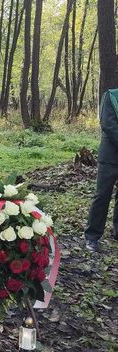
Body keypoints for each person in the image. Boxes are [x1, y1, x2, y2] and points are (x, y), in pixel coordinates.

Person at [84, 88, 118, 252]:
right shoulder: (111, 96)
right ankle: (92, 236)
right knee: (102, 195)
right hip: (110, 157)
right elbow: (108, 125)